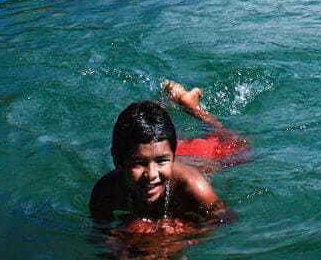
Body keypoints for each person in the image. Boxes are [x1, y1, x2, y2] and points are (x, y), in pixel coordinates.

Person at [90, 81, 246, 232]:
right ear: (118, 160)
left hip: (201, 156)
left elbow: (226, 220)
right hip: (158, 149)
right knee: (152, 132)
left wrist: (185, 232)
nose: (151, 175)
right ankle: (164, 103)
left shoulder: (194, 186)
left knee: (237, 144)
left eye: (162, 161)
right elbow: (101, 235)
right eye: (139, 163)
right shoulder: (105, 191)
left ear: (173, 155)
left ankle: (192, 107)